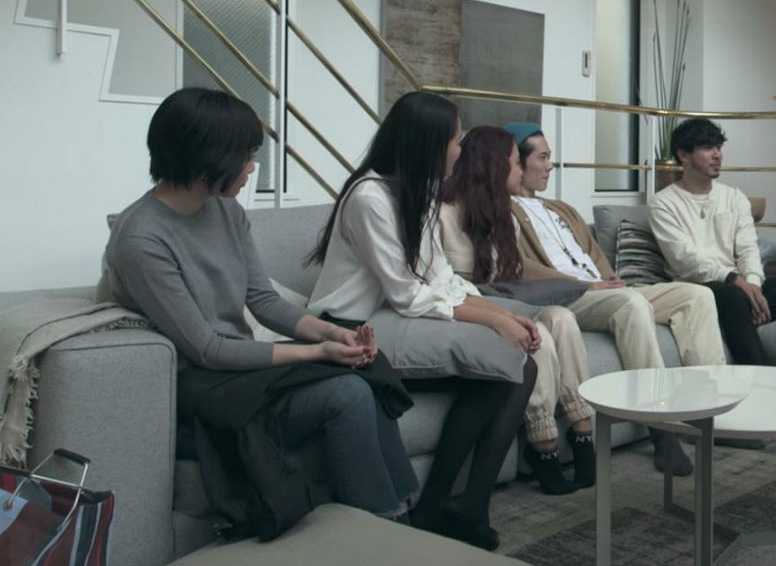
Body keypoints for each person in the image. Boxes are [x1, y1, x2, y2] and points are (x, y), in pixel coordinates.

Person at [105, 88, 417, 529]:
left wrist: (331, 334)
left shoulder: (226, 211)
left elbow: (263, 300)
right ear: (208, 155)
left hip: (243, 373)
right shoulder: (142, 239)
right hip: (202, 387)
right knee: (346, 392)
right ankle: (382, 531)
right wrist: (317, 352)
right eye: (246, 156)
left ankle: (403, 518)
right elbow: (208, 348)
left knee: (370, 367)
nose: (252, 167)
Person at [306, 92, 536, 551]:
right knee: (507, 365)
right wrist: (496, 324)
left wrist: (500, 315)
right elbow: (408, 293)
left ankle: (463, 506)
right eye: (455, 140)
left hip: (391, 316)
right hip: (349, 328)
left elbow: (440, 276)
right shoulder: (368, 198)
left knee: (515, 364)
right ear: (427, 143)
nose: (460, 150)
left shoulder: (420, 191)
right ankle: (446, 507)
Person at [503, 122, 729, 469]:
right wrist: (584, 285)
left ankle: (710, 410)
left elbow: (594, 255)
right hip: (569, 297)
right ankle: (661, 428)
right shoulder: (504, 212)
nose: (550, 166)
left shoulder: (560, 208)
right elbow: (519, 267)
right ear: (517, 162)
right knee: (630, 304)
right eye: (543, 158)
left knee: (696, 296)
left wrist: (608, 278)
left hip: (604, 291)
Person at [437, 126, 595, 496]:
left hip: (502, 301)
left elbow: (510, 279)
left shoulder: (504, 217)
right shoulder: (441, 214)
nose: (521, 171)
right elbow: (441, 286)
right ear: (494, 166)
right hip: (466, 310)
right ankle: (544, 446)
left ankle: (583, 432)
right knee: (539, 339)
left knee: (562, 319)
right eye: (515, 163)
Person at [649, 118, 776, 366]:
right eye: (708, 148)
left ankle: (746, 312)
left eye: (718, 147)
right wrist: (735, 281)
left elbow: (747, 248)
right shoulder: (663, 203)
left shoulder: (734, 197)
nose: (717, 155)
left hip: (738, 287)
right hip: (697, 289)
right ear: (683, 155)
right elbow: (685, 259)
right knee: (731, 296)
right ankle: (757, 373)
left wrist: (753, 285)